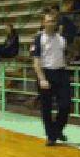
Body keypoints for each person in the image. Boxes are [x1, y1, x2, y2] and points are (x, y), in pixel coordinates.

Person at [31, 12, 71, 146]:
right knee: (46, 108)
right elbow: (36, 62)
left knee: (65, 105)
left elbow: (64, 56)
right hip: (46, 73)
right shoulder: (38, 39)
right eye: (48, 21)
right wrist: (42, 78)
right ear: (43, 23)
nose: (51, 23)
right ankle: (51, 136)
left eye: (53, 21)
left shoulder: (61, 39)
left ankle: (57, 130)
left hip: (61, 73)